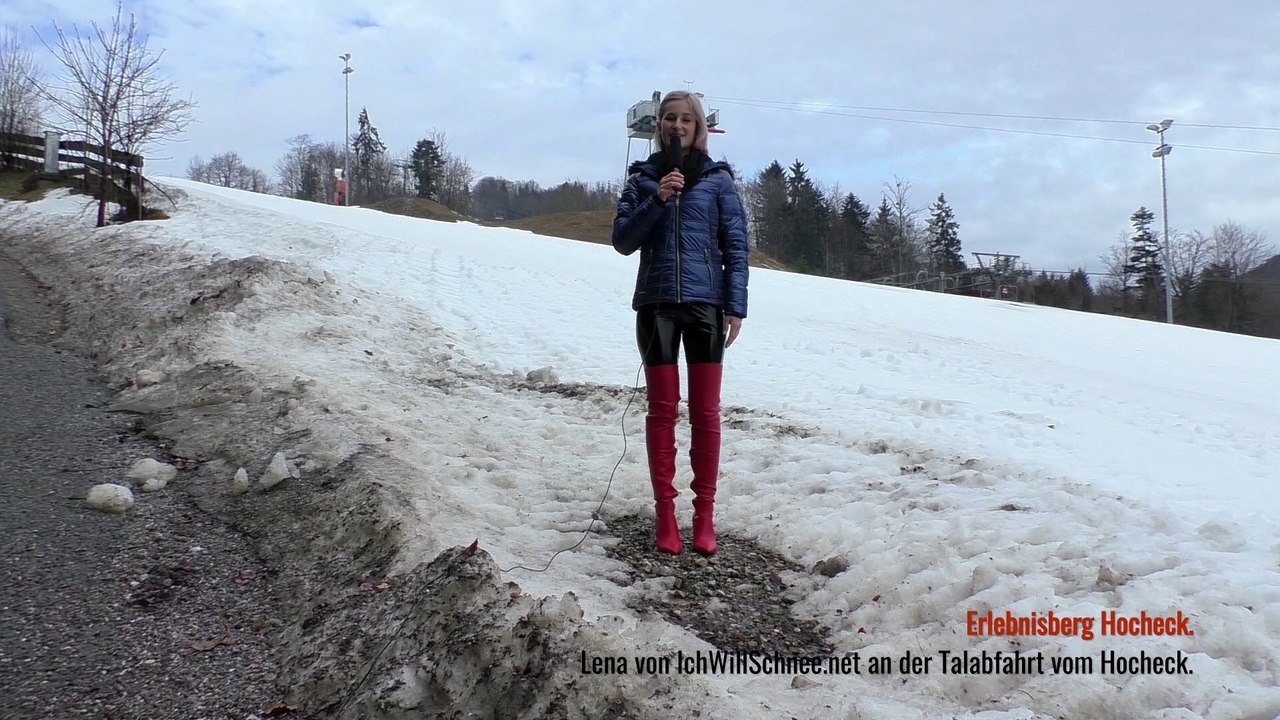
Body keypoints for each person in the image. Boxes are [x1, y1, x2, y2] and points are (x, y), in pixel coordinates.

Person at [611, 90, 749, 556]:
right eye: (669, 118)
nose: (677, 125)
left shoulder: (718, 181)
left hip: (706, 306)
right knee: (663, 410)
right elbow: (622, 242)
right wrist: (659, 201)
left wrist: (736, 306)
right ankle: (665, 515)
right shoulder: (642, 180)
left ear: (699, 127)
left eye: (686, 119)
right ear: (660, 126)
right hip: (656, 306)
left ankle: (704, 515)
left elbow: (735, 247)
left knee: (707, 414)